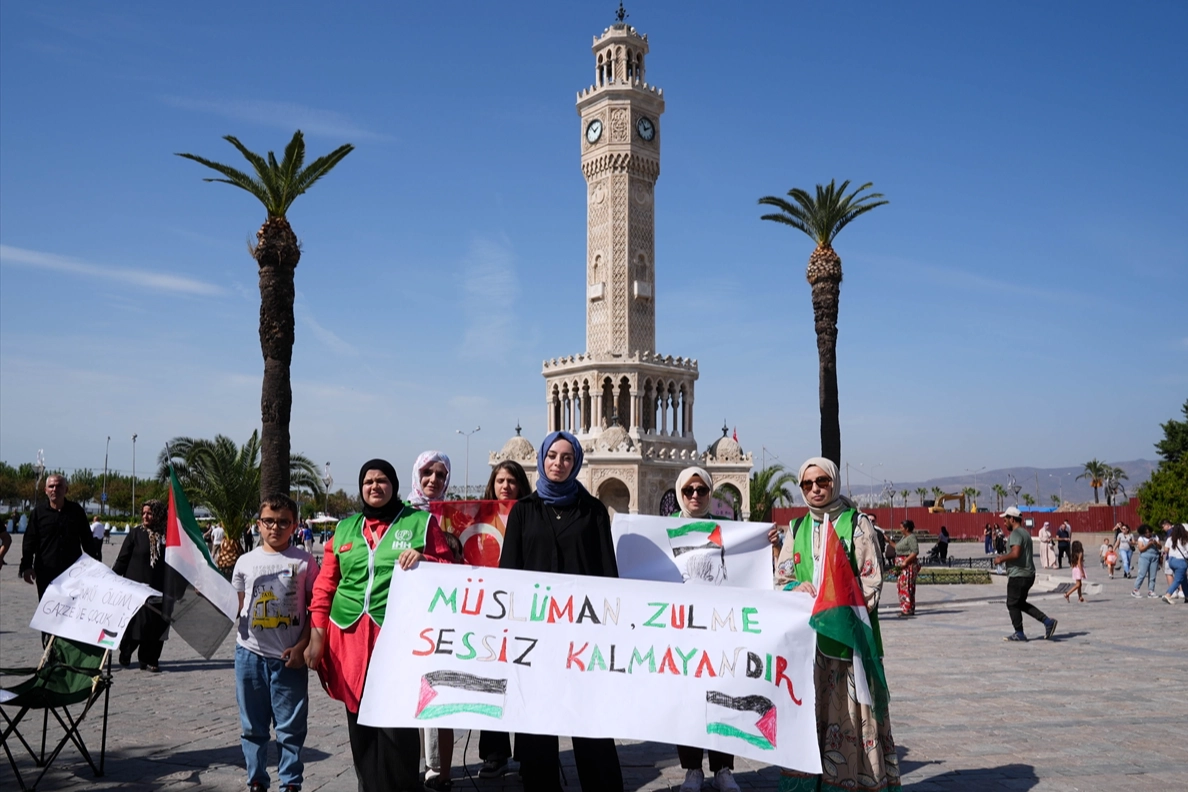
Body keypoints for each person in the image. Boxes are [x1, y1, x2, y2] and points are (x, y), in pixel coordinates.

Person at [305, 459, 452, 792]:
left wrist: (424, 558)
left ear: (394, 485)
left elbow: (449, 566)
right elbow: (326, 586)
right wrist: (316, 637)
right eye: (368, 481)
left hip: (398, 639)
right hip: (348, 639)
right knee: (360, 722)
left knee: (397, 724)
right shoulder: (344, 529)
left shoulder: (420, 522)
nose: (374, 486)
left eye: (382, 480)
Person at [499, 431, 624, 792]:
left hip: (583, 634)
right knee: (538, 721)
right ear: (542, 459)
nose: (558, 463)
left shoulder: (593, 512)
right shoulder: (524, 511)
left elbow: (607, 574)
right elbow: (510, 574)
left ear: (577, 463)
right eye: (552, 456)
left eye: (566, 458)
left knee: (589, 719)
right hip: (535, 637)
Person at [775, 457, 901, 792]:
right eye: (807, 484)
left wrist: (836, 607)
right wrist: (793, 588)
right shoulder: (797, 528)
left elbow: (872, 580)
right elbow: (781, 577)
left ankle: (848, 781)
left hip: (848, 645)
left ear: (834, 483)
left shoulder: (856, 524)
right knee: (809, 715)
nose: (815, 489)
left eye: (822, 482)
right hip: (807, 647)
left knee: (848, 715)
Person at [232, 494, 319, 792]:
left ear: (294, 525)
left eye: (283, 522)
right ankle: (257, 779)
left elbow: (315, 611)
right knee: (252, 726)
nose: (275, 528)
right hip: (249, 655)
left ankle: (291, 783)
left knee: (290, 728)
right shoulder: (245, 562)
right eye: (269, 521)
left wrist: (302, 646)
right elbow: (237, 605)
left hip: (289, 658)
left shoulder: (305, 561)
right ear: (259, 524)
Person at [670, 466, 740, 792]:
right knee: (689, 701)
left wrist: (762, 541)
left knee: (722, 695)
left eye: (701, 489)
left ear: (710, 492)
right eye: (688, 490)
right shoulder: (665, 530)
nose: (695, 495)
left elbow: (744, 567)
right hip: (681, 627)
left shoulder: (728, 530)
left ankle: (724, 768)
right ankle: (692, 769)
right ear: (679, 493)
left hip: (719, 628)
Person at [476, 460, 532, 780]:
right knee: (491, 682)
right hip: (487, 610)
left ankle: (528, 751)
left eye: (512, 480)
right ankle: (495, 753)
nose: (506, 486)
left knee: (524, 681)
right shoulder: (480, 518)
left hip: (525, 610)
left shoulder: (532, 516)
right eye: (500, 480)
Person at [407, 451, 459, 791]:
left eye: (441, 475)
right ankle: (411, 765)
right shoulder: (401, 516)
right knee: (410, 695)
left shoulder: (457, 519)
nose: (433, 480)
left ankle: (439, 772)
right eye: (427, 472)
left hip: (448, 617)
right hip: (409, 618)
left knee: (440, 694)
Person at [19, 474, 100, 601]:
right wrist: (27, 566)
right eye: (51, 486)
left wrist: (95, 567)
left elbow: (87, 541)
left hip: (72, 573)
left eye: (59, 486)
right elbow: (29, 542)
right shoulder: (38, 513)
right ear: (45, 490)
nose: (54, 489)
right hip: (46, 572)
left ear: (66, 490)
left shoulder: (76, 511)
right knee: (47, 610)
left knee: (71, 611)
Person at [113, 500, 171, 671]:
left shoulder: (168, 535)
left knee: (158, 624)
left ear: (159, 515)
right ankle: (126, 650)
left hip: (160, 588)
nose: (145, 516)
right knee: (138, 623)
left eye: (150, 513)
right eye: (144, 513)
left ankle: (150, 658)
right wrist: (112, 577)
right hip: (137, 588)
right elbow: (123, 559)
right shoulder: (135, 534)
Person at [991, 506, 1057, 642]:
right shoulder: (1025, 533)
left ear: (1013, 519)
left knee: (1012, 604)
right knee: (1020, 603)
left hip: (1018, 575)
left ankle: (1019, 633)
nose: (1004, 522)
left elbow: (1016, 553)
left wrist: (1001, 559)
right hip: (1028, 574)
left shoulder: (1015, 534)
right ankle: (1047, 621)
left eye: (1006, 519)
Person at [895, 519, 920, 617]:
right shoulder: (904, 538)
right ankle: (908, 607)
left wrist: (905, 561)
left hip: (907, 566)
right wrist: (888, 541)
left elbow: (915, 551)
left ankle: (907, 609)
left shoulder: (911, 538)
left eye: (901, 527)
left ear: (907, 528)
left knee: (906, 587)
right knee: (903, 586)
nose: (900, 529)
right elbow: (898, 548)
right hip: (902, 566)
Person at [1130, 524, 1161, 599]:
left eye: (1149, 532)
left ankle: (1151, 591)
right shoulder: (1141, 538)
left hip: (1155, 557)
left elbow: (1160, 547)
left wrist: (1156, 543)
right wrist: (1149, 544)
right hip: (1144, 557)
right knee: (1142, 574)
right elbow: (1141, 549)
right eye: (1146, 532)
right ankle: (1135, 590)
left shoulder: (1155, 537)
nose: (1148, 534)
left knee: (1153, 575)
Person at [1161, 523, 1188, 604]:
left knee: (1183, 578)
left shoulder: (1170, 539)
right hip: (1181, 561)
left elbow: (1166, 550)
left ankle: (1187, 595)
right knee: (1178, 579)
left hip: (1172, 561)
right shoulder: (1185, 539)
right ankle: (1168, 594)